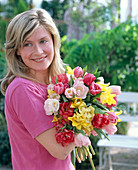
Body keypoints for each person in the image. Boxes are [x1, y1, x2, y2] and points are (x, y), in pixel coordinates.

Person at [1, 8, 90, 170]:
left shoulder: (59, 83)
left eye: (43, 41)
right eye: (27, 44)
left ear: (54, 41)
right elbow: (60, 150)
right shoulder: (23, 89)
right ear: (18, 51)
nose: (38, 51)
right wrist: (89, 113)